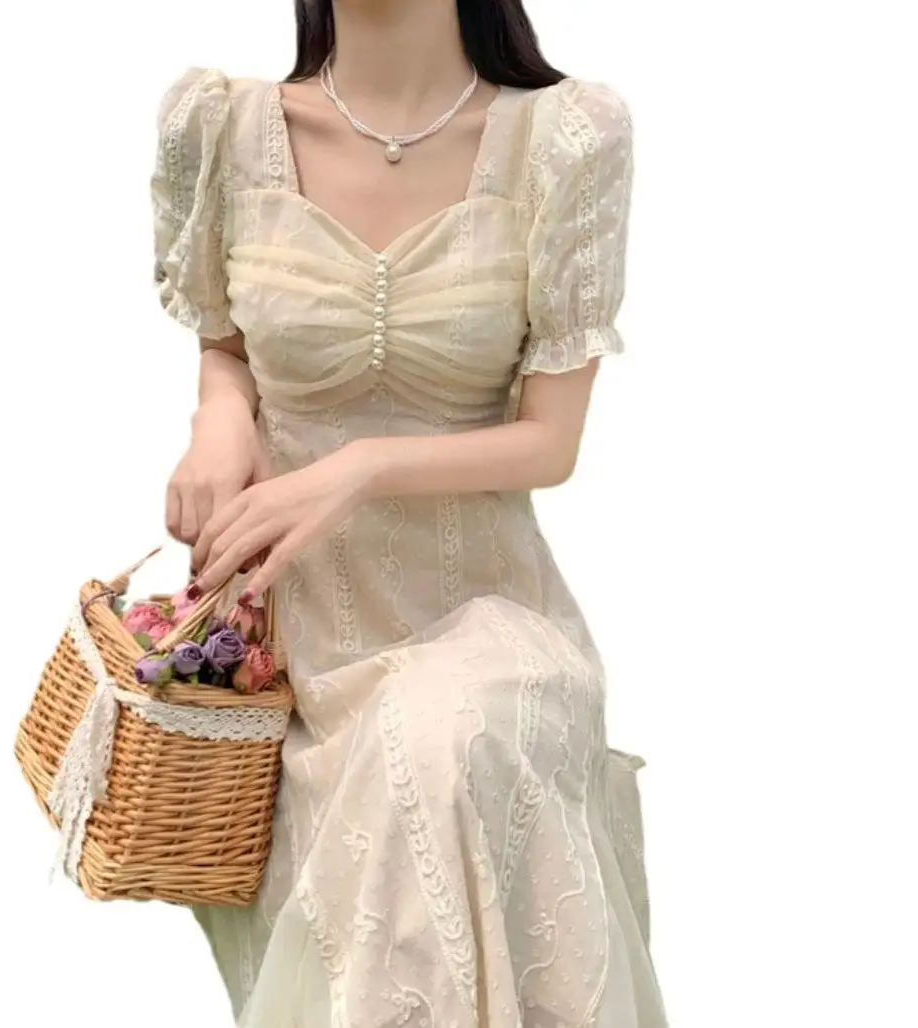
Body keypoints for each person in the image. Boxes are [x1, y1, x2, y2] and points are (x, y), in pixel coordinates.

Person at [153, 0, 667, 1023]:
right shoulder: (220, 127)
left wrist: (362, 467)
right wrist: (219, 415)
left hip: (489, 614)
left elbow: (550, 442)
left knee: (439, 736)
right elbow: (225, 342)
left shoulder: (565, 137)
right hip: (298, 646)